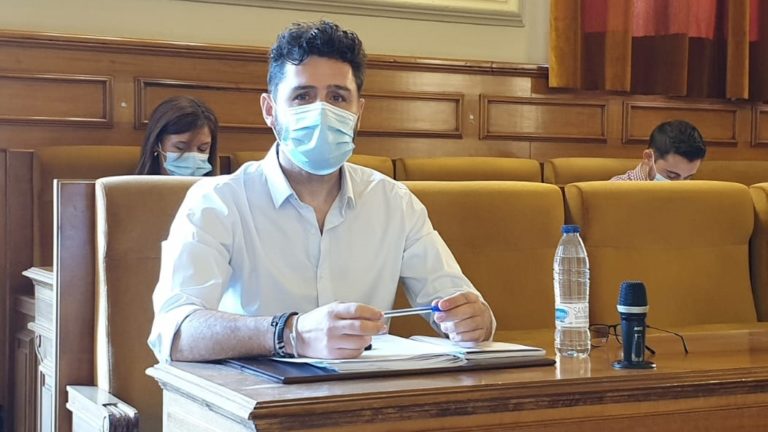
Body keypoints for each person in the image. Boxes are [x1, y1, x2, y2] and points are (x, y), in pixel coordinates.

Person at [147, 21, 495, 363]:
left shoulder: (395, 203)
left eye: (337, 97)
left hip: (368, 392)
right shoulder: (218, 201)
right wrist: (290, 333)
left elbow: (455, 299)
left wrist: (473, 320)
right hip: (256, 393)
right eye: (303, 96)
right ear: (270, 111)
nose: (322, 111)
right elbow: (175, 333)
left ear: (358, 112)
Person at [135, 95, 219, 176]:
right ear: (156, 144)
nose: (193, 160)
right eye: (180, 147)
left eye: (203, 148)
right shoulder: (133, 186)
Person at [611, 120, 706, 181]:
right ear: (648, 158)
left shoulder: (697, 196)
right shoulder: (614, 192)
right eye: (671, 176)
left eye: (687, 178)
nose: (680, 187)